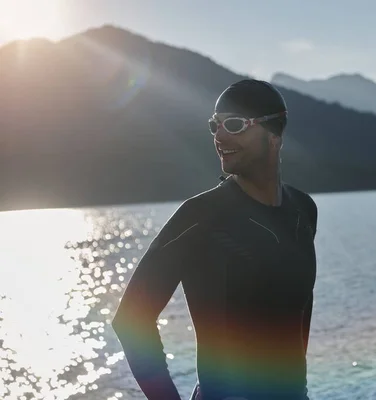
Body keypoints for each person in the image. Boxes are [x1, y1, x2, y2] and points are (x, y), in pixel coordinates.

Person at [112, 79, 318, 400]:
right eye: (215, 125)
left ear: (274, 134)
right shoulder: (200, 215)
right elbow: (130, 319)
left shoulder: (303, 211)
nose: (220, 136)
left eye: (234, 125)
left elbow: (300, 304)